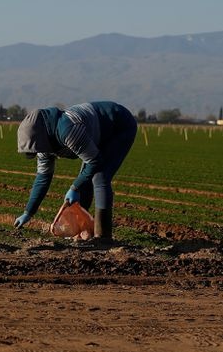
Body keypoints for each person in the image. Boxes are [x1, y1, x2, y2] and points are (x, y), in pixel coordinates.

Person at [14, 101, 137, 246]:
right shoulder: (42, 145)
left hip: (118, 124)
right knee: (85, 181)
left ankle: (103, 236)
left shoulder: (67, 129)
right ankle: (84, 229)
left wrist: (74, 188)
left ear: (41, 137)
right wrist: (28, 212)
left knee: (99, 177)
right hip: (95, 133)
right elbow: (43, 178)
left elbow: (94, 161)